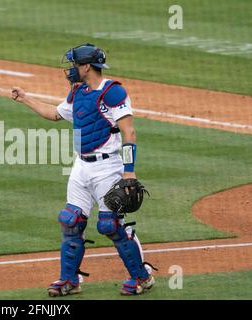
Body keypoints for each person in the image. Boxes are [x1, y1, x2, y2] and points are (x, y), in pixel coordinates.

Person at [11, 43, 154, 296]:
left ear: (87, 66)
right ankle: (70, 280)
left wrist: (129, 171)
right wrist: (25, 99)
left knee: (111, 225)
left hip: (108, 167)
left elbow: (129, 131)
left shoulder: (112, 92)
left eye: (74, 64)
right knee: (71, 221)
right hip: (81, 166)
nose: (70, 69)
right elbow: (55, 114)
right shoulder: (78, 92)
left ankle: (142, 277)